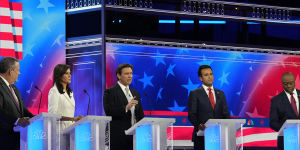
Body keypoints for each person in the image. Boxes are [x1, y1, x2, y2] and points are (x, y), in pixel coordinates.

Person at [188, 65, 231, 150]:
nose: (209, 77)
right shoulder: (195, 93)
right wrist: (199, 125)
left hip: (219, 137)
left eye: (211, 74)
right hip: (202, 138)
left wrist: (229, 126)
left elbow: (226, 114)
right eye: (206, 75)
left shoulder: (221, 93)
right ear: (201, 78)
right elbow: (191, 115)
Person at [103, 63, 144, 150]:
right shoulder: (110, 92)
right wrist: (126, 107)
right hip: (118, 138)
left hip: (135, 138)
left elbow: (140, 115)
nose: (130, 76)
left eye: (131, 73)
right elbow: (109, 111)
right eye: (126, 74)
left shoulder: (135, 93)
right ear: (118, 75)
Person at [0, 57, 34, 150]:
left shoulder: (14, 88)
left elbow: (22, 109)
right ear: (10, 71)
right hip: (4, 140)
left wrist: (36, 118)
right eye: (17, 70)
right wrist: (17, 120)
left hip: (18, 139)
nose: (19, 73)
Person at [269, 72, 300, 150]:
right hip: (286, 141)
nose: (289, 86)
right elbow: (273, 123)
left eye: (291, 83)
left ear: (294, 82)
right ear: (282, 83)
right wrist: (286, 130)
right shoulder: (276, 100)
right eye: (285, 84)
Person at [48, 64, 84, 130]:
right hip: (59, 131)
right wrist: (72, 119)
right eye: (66, 73)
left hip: (70, 130)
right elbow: (52, 115)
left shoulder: (70, 92)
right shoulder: (54, 91)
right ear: (59, 75)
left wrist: (75, 120)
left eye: (70, 73)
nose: (69, 76)